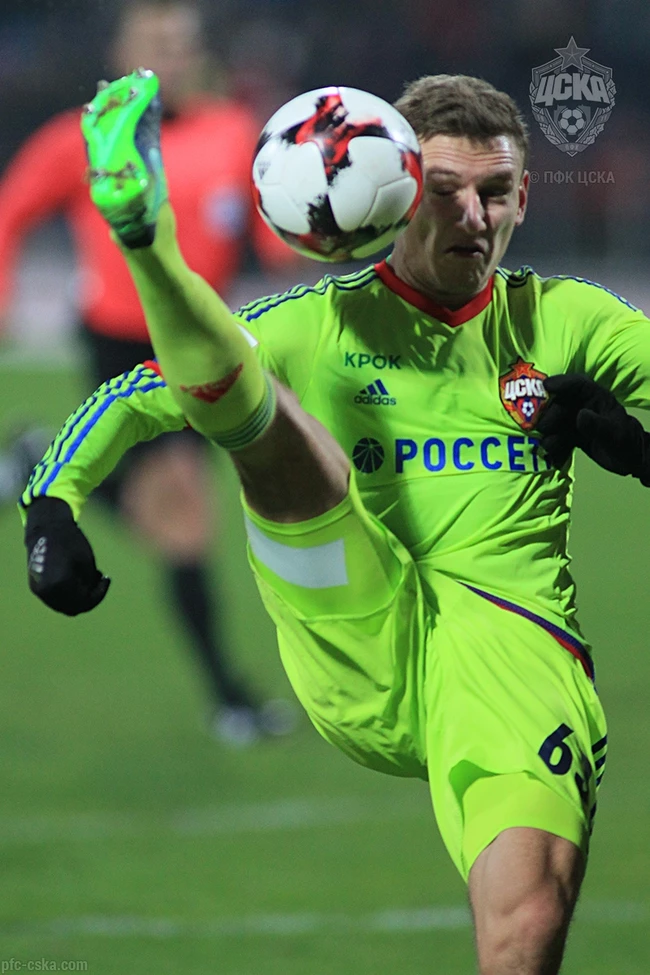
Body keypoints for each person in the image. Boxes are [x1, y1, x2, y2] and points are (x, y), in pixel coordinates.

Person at [19, 69, 650, 973]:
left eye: (496, 192)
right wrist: (52, 501)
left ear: (523, 198)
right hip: (353, 619)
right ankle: (147, 242)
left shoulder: (568, 320)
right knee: (270, 420)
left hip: (512, 648)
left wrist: (638, 448)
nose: (474, 216)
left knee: (528, 926)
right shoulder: (316, 325)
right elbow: (132, 396)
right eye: (446, 190)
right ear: (398, 190)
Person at [0, 0, 299, 744]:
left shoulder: (233, 131)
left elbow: (273, 232)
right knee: (187, 522)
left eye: (180, 41)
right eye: (154, 40)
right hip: (120, 343)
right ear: (123, 52)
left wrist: (308, 233)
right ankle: (230, 699)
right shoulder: (88, 137)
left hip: (202, 342)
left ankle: (35, 463)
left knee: (176, 524)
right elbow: (11, 210)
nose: (168, 53)